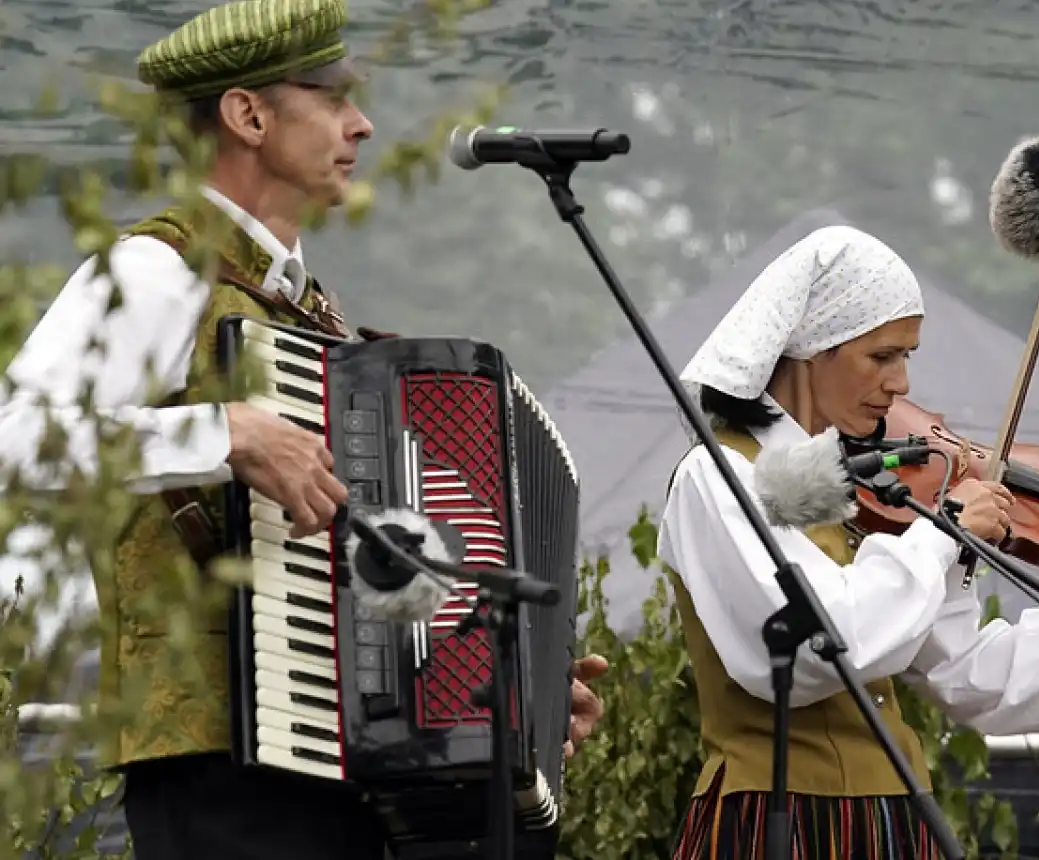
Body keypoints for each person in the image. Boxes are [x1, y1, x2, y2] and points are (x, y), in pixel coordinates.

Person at [0, 0, 606, 857]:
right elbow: (19, 437)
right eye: (331, 95)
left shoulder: (307, 314)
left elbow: (356, 572)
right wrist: (227, 433)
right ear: (247, 115)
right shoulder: (153, 270)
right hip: (219, 778)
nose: (361, 124)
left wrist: (509, 687)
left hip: (329, 771)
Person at [658, 224, 1039, 860]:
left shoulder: (859, 490)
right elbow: (819, 648)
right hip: (776, 821)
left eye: (907, 358)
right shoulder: (719, 474)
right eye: (881, 356)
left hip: (893, 819)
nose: (901, 385)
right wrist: (940, 533)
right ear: (810, 349)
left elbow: (967, 674)